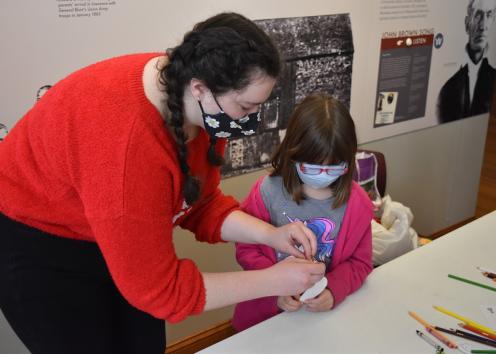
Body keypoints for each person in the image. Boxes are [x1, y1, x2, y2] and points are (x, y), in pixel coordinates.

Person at [0, 12, 325, 354]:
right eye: (245, 107)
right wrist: (274, 280)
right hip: (37, 241)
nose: (249, 121)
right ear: (200, 87)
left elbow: (200, 202)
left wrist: (269, 234)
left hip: (106, 221)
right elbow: (160, 291)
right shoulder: (127, 148)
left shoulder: (197, 104)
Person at [232, 94, 374, 332]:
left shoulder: (357, 203)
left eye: (334, 167)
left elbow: (360, 262)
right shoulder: (267, 192)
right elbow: (247, 249)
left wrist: (333, 289)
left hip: (320, 320)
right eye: (313, 167)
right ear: (293, 153)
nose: (323, 174)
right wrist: (273, 290)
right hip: (265, 317)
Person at [437, 0, 496, 123]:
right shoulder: (447, 88)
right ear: (467, 24)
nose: (483, 26)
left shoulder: (493, 77)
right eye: (478, 15)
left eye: (489, 15)